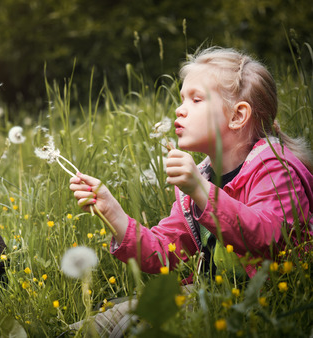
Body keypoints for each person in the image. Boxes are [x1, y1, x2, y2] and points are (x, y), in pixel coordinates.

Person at [69, 46, 313, 336]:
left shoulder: (276, 170)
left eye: (196, 99)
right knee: (90, 327)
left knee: (132, 326)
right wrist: (112, 211)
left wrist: (201, 190)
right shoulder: (199, 179)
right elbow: (164, 252)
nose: (179, 108)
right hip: (209, 298)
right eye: (181, 98)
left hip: (266, 305)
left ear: (238, 116)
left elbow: (268, 236)